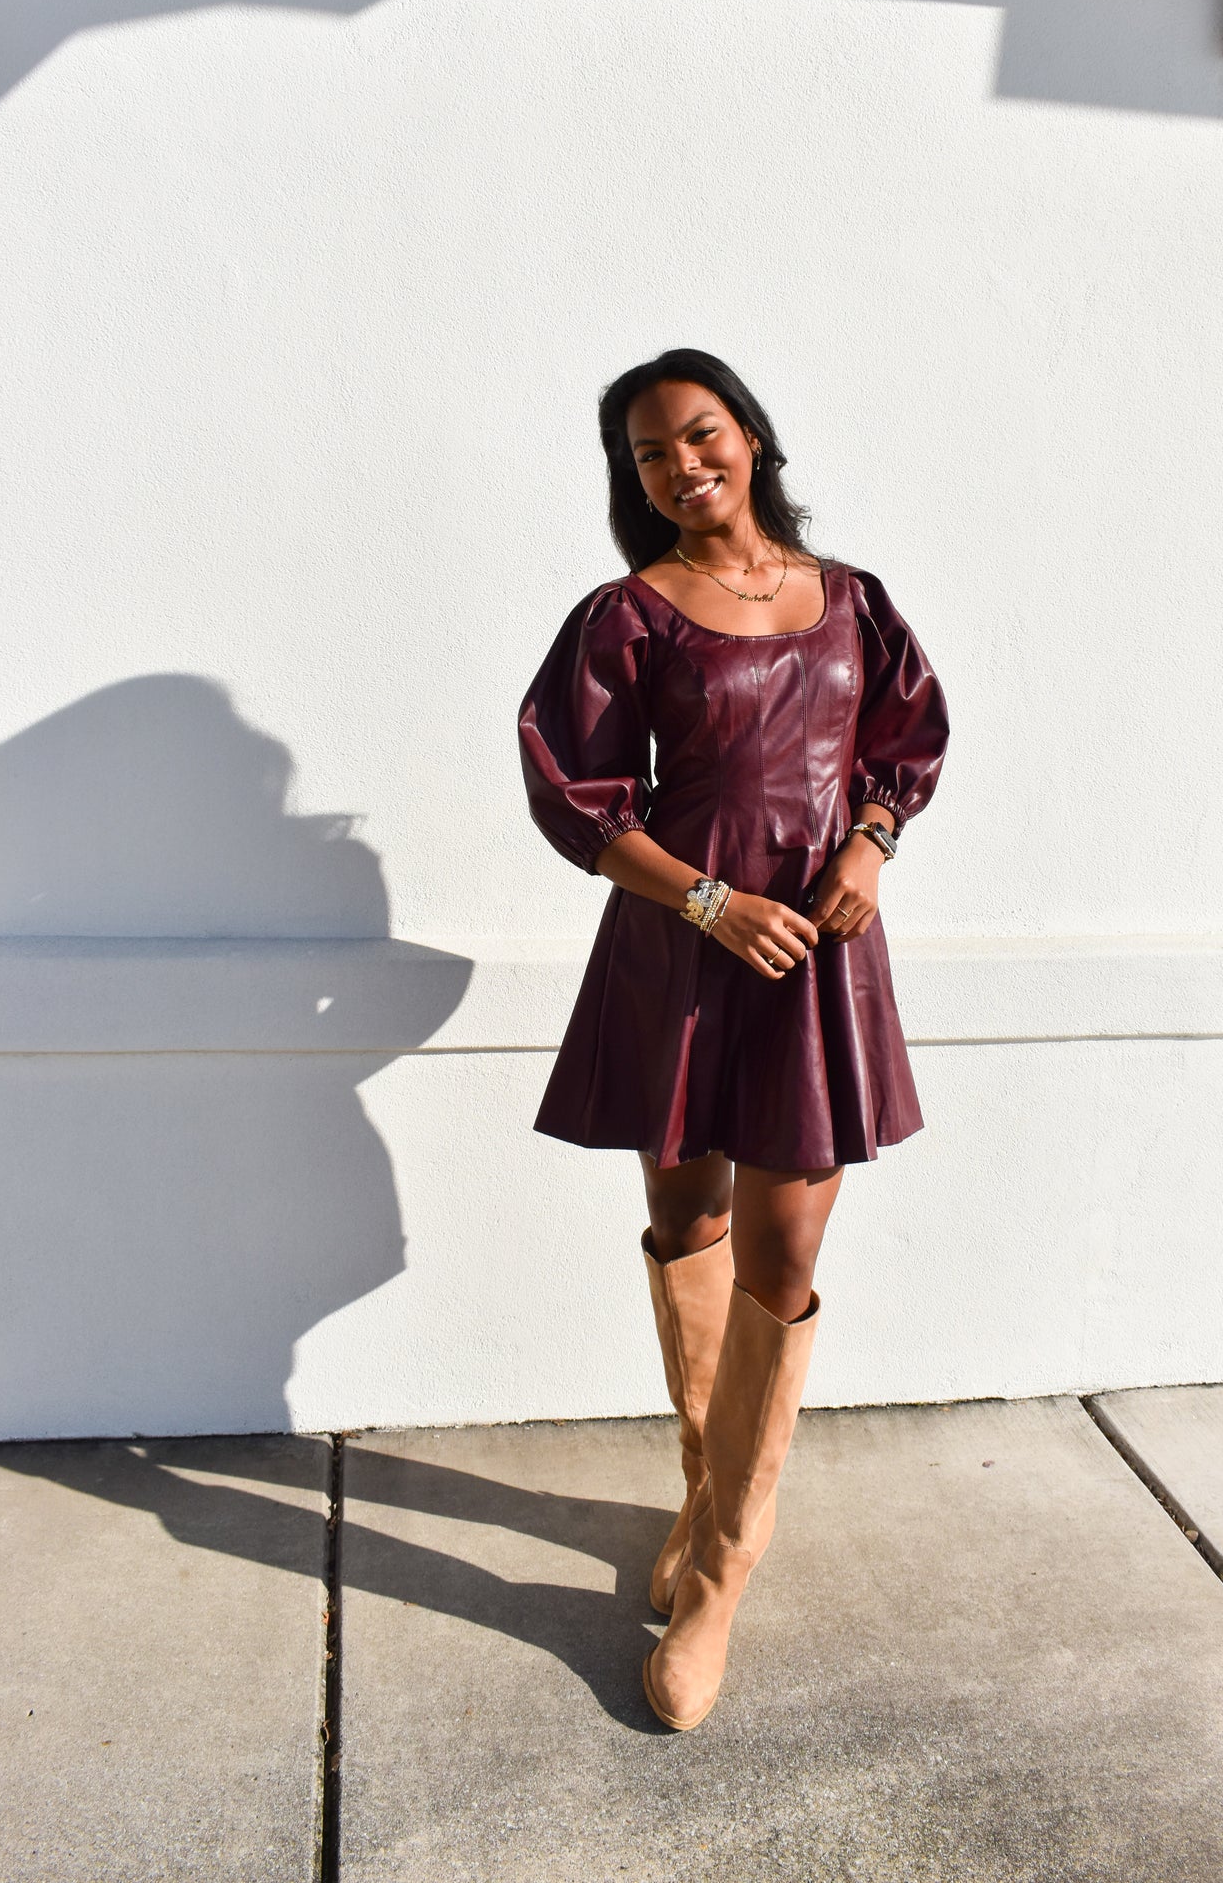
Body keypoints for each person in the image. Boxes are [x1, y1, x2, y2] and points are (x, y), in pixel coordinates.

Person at [517, 348, 949, 1731]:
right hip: (684, 953)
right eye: (649, 454)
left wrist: (871, 847)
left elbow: (905, 738)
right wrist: (707, 903)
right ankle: (704, 1482)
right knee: (686, 1216)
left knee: (787, 1252)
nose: (681, 464)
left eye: (699, 434)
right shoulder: (626, 615)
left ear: (749, 437)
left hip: (816, 949)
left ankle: (716, 1572)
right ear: (633, 480)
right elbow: (579, 797)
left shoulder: (854, 603)